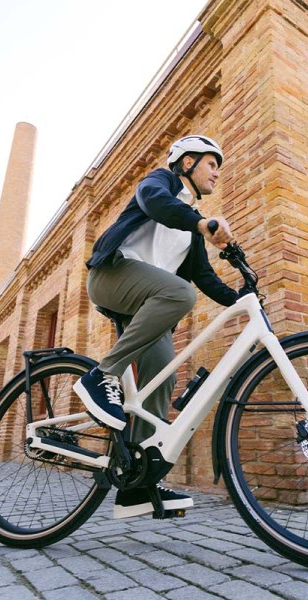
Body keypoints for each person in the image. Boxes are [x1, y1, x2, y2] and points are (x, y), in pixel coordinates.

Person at [73, 134, 238, 519]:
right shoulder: (160, 185)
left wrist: (243, 298)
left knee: (163, 376)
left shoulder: (190, 220)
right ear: (186, 163)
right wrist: (202, 223)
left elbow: (203, 276)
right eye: (212, 164)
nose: (217, 173)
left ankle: (136, 486)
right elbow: (154, 204)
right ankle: (101, 376)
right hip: (111, 275)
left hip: (146, 299)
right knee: (180, 295)